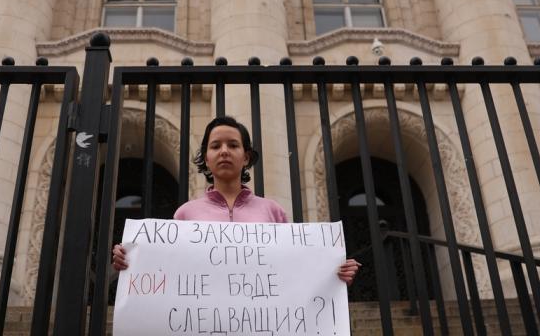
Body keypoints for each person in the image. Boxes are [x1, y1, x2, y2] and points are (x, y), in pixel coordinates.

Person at [111, 115, 360, 285]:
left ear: (246, 157)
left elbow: (294, 267)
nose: (224, 151)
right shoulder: (185, 214)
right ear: (206, 158)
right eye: (215, 145)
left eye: (233, 145)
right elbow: (167, 268)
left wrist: (333, 271)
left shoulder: (273, 211)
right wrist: (132, 258)